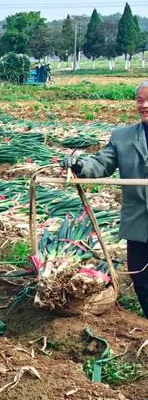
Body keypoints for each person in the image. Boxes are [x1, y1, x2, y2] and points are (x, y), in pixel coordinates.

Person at [61, 80, 148, 314]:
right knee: (142, 281)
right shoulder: (124, 138)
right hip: (140, 222)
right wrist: (79, 165)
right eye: (140, 100)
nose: (144, 105)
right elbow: (100, 164)